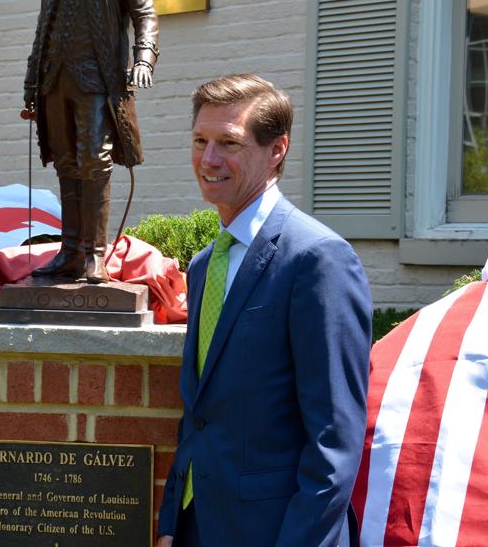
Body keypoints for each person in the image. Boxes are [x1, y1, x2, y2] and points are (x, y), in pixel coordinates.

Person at [156, 74, 372, 546]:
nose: (208, 159)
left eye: (229, 143)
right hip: (198, 528)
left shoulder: (318, 259)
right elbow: (200, 412)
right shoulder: (202, 266)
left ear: (277, 150)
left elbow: (334, 439)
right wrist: (172, 522)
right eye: (200, 141)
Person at [22, 0, 159, 283]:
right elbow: (41, 29)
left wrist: (143, 59)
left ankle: (95, 255)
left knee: (94, 162)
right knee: (66, 163)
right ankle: (69, 250)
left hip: (97, 81)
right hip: (55, 82)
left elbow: (146, 15)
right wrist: (31, 84)